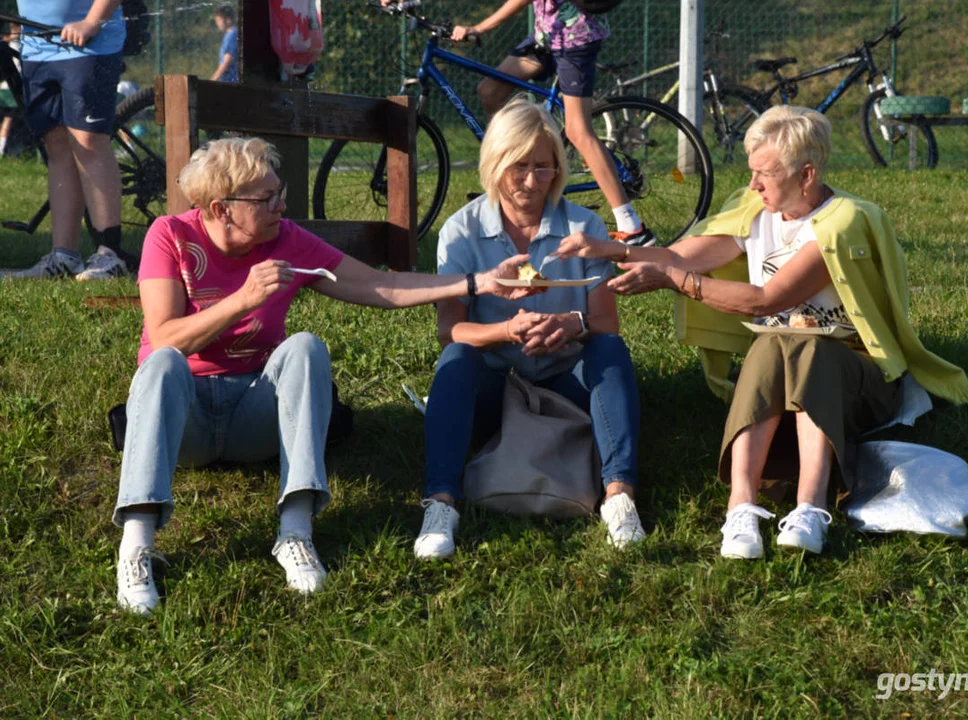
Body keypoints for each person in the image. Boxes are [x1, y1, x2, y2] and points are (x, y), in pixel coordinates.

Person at [113, 137, 539, 614]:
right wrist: (241, 301)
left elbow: (382, 284)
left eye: (282, 192)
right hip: (181, 421)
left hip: (253, 416)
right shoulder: (169, 234)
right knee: (163, 361)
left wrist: (479, 282)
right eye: (267, 198)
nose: (282, 205)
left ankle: (295, 534)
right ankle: (137, 545)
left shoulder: (286, 239)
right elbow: (166, 334)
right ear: (222, 209)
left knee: (306, 347)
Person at [550, 105, 968, 558]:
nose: (752, 185)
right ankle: (741, 508)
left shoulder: (840, 222)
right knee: (774, 341)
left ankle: (810, 507)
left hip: (858, 381)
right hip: (780, 369)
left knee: (806, 345)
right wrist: (606, 249)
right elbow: (680, 258)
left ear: (806, 175)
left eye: (764, 175)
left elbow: (768, 299)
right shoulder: (756, 210)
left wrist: (679, 284)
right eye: (752, 173)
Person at [413, 98, 646, 560]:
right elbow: (450, 331)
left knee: (610, 351)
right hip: (493, 387)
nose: (531, 182)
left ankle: (620, 496)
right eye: (518, 167)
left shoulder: (583, 224)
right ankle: (440, 503)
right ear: (494, 164)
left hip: (565, 381)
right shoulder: (460, 232)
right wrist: (506, 330)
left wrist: (571, 324)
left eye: (544, 167)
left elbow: (605, 323)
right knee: (456, 361)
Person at [381, 0, 653, 246]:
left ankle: (631, 226)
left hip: (574, 37)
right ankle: (508, 170)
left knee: (577, 129)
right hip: (545, 36)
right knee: (490, 91)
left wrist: (480, 27)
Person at [6, 0, 132, 280]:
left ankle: (110, 255)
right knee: (57, 146)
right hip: (37, 49)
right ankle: (64, 256)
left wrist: (91, 22)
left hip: (90, 44)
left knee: (88, 141)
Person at [0, 22, 21, 158]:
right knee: (7, 120)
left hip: (6, 89)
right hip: (9, 90)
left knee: (7, 120)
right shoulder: (15, 45)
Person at [210, 5, 237, 84]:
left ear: (228, 20)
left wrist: (212, 80)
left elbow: (226, 62)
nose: (217, 23)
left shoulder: (232, 35)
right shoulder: (229, 35)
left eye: (219, 20)